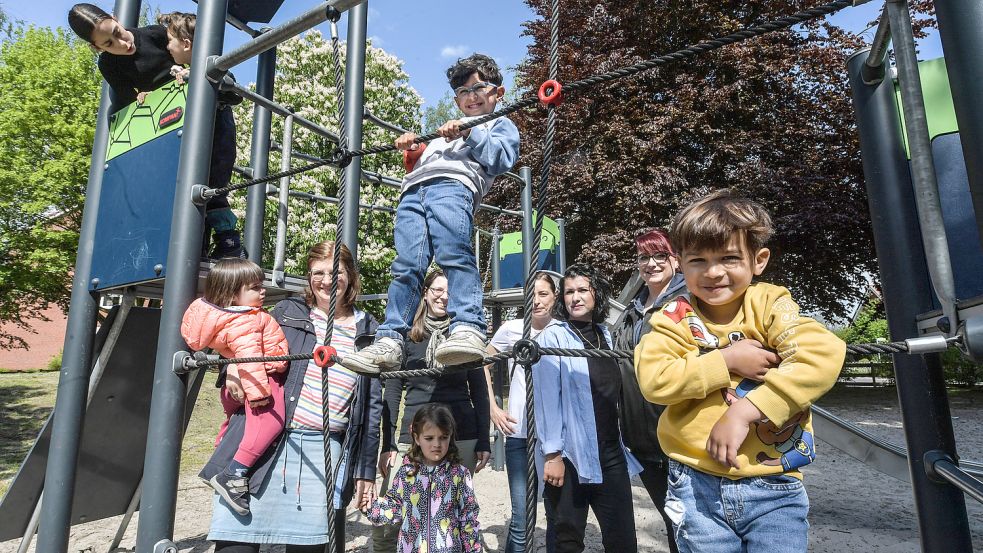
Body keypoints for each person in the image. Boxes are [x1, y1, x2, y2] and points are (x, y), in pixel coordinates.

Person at [635, 190, 845, 553]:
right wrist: (726, 361)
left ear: (758, 260)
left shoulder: (770, 304)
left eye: (729, 258)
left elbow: (821, 353)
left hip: (774, 482)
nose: (714, 272)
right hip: (695, 480)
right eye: (698, 260)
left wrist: (746, 411)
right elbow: (655, 380)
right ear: (680, 264)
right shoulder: (673, 318)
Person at [342, 53, 520, 374]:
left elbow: (501, 158)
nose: (471, 97)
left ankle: (468, 325)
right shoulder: (442, 135)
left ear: (498, 92)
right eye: (463, 93)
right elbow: (420, 163)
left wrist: (468, 132)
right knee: (406, 265)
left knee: (454, 254)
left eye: (479, 88)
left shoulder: (499, 124)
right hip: (413, 191)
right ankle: (391, 338)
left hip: (453, 187)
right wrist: (412, 149)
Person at [203, 241, 382, 553]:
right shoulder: (288, 312)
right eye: (318, 273)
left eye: (335, 272)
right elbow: (241, 337)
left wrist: (365, 470)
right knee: (236, 543)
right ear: (309, 277)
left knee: (308, 546)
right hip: (265, 442)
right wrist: (231, 365)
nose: (327, 280)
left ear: (351, 276)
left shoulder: (369, 331)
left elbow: (372, 407)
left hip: (321, 449)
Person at [66, 4, 245, 259]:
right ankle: (198, 248)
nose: (121, 42)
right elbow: (127, 102)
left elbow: (190, 51)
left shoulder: (152, 35)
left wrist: (192, 75)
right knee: (183, 188)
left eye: (118, 31)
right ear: (97, 48)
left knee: (213, 179)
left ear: (117, 19)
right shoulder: (109, 65)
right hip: (171, 127)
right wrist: (143, 99)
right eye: (109, 43)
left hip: (208, 115)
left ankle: (229, 243)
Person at [374, 268, 491, 552]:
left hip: (459, 433)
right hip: (415, 433)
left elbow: (479, 390)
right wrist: (388, 442)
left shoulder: (463, 334)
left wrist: (484, 440)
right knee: (392, 517)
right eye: (437, 289)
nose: (444, 296)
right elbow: (392, 389)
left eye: (450, 291)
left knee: (450, 510)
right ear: (425, 294)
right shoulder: (407, 334)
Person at [534, 264, 641, 553]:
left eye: (583, 290)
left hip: (610, 451)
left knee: (623, 539)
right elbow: (546, 401)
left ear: (597, 295)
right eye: (569, 292)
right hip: (570, 455)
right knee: (567, 539)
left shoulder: (605, 335)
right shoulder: (552, 337)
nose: (575, 298)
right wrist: (552, 454)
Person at [180, 258, 288, 515]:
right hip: (260, 380)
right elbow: (249, 360)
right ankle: (234, 473)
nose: (262, 291)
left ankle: (221, 455)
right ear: (232, 294)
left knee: (235, 421)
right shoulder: (244, 322)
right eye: (254, 287)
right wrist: (261, 395)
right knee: (271, 423)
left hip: (243, 382)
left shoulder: (226, 316)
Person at [611, 229, 686, 553]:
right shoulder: (633, 311)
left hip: (680, 435)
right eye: (644, 257)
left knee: (690, 523)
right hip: (641, 438)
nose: (651, 263)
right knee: (672, 519)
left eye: (660, 255)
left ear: (675, 259)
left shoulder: (688, 300)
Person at [483, 271, 558, 553]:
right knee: (521, 517)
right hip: (519, 434)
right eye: (532, 295)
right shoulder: (512, 329)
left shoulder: (562, 331)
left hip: (554, 437)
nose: (537, 301)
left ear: (554, 296)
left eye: (543, 294)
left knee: (556, 514)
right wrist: (493, 406)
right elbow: (483, 362)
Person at [365, 403, 483, 552]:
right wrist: (369, 506)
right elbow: (393, 509)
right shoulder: (406, 474)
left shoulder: (460, 475)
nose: (436, 444)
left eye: (443, 437)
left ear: (450, 436)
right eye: (429, 438)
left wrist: (473, 549)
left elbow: (468, 518)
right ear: (417, 438)